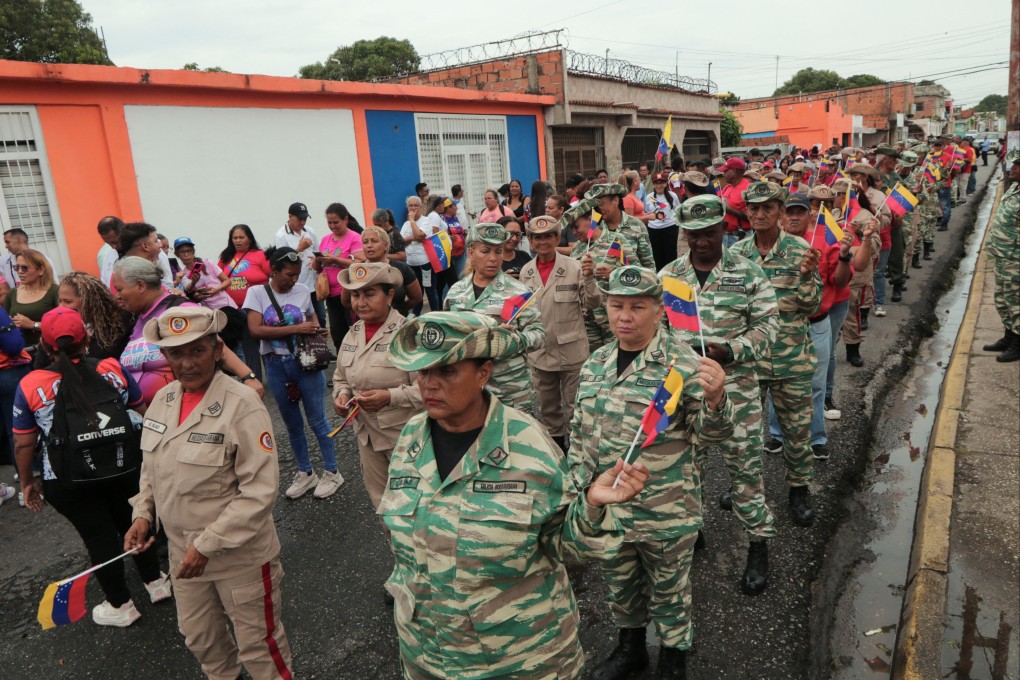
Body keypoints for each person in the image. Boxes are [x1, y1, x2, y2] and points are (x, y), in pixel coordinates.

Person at [382, 310, 650, 680]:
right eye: (424, 371)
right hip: (427, 654)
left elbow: (567, 547)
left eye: (447, 371)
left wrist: (590, 506)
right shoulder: (411, 437)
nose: (430, 384)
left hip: (517, 660)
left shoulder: (527, 445)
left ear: (484, 373)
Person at [574, 266, 732, 680]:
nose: (624, 316)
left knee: (670, 591)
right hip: (611, 508)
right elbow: (580, 434)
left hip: (664, 507)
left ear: (659, 310)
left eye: (636, 307)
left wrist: (717, 399)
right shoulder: (596, 362)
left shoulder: (683, 364)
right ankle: (631, 650)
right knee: (620, 585)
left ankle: (673, 658)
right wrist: (579, 490)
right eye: (616, 305)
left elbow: (709, 436)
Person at [123, 306, 293, 678]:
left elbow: (260, 492)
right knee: (201, 640)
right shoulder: (164, 400)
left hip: (239, 556)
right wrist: (143, 514)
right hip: (185, 556)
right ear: (165, 356)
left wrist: (208, 544)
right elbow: (152, 467)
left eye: (197, 350)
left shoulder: (243, 405)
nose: (187, 363)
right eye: (176, 353)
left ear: (217, 350)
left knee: (260, 647)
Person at [14, 307, 168, 627]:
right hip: (124, 466)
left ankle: (121, 605)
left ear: (44, 344)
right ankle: (156, 582)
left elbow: (24, 443)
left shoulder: (31, 385)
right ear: (86, 341)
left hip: (69, 479)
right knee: (134, 517)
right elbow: (140, 410)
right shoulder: (111, 367)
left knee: (98, 537)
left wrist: (28, 481)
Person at [657, 195, 778, 596]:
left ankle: (757, 544)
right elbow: (656, 331)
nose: (701, 241)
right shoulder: (671, 276)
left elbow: (768, 326)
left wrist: (732, 351)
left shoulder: (747, 274)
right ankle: (694, 532)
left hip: (736, 390)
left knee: (745, 471)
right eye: (693, 234)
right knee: (688, 469)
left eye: (709, 233)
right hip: (684, 392)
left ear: (724, 228)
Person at [732, 182, 822, 526]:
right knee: (745, 433)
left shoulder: (801, 251)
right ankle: (746, 487)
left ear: (781, 212)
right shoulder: (737, 255)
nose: (758, 214)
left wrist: (807, 276)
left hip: (790, 359)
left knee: (797, 431)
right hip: (749, 361)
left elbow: (811, 307)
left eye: (767, 208)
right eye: (753, 208)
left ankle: (798, 488)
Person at [244, 246, 342, 500]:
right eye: (289, 274)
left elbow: (312, 319)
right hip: (276, 366)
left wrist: (317, 331)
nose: (294, 280)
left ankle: (332, 472)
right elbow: (255, 330)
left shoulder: (301, 291)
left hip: (304, 362)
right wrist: (297, 329)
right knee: (292, 425)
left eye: (297, 274)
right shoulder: (256, 294)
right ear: (274, 272)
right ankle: (305, 473)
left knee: (318, 419)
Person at [331, 263, 422, 515]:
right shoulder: (353, 333)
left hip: (404, 439)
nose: (361, 302)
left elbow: (428, 392)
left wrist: (389, 397)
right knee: (383, 506)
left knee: (412, 508)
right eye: (356, 295)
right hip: (367, 438)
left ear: (390, 296)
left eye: (370, 294)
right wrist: (342, 395)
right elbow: (341, 377)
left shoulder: (409, 335)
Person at [113, 257, 263, 406]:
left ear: (140, 286)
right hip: (155, 418)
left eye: (120, 289)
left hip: (188, 409)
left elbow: (217, 346)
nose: (117, 296)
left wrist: (249, 377)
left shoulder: (179, 309)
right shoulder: (137, 318)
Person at [443, 223, 545, 410]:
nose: (493, 258)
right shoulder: (456, 292)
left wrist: (515, 339)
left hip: (509, 390)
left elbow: (538, 334)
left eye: (498, 252)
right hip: (468, 388)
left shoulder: (518, 291)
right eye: (485, 251)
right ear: (471, 253)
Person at [519, 215, 599, 452]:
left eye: (548, 236)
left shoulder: (575, 267)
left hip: (572, 351)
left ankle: (579, 453)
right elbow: (522, 312)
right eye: (537, 237)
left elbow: (593, 303)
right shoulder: (526, 272)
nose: (542, 242)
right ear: (531, 241)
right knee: (548, 408)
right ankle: (558, 451)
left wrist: (590, 277)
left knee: (577, 406)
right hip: (540, 353)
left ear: (556, 238)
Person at [218, 224, 271, 382]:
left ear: (250, 238)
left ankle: (274, 378)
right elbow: (216, 276)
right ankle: (254, 380)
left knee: (265, 345)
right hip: (236, 311)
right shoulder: (225, 258)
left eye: (241, 237)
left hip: (258, 308)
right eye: (235, 238)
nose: (238, 241)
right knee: (248, 347)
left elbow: (273, 275)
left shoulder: (260, 255)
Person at [982, 149, 1020, 362]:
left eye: (1017, 165)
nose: (1012, 168)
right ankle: (1008, 335)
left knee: (1016, 301)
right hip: (1002, 255)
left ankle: (1018, 342)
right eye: (1012, 164)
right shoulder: (1014, 187)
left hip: (1016, 258)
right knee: (1002, 299)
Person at [314, 203, 365, 352]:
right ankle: (342, 363)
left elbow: (360, 265)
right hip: (331, 295)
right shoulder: (325, 239)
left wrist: (335, 260)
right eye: (329, 223)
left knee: (355, 330)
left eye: (336, 222)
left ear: (345, 219)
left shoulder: (354, 238)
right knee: (337, 333)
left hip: (350, 293)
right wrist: (318, 260)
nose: (332, 226)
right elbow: (319, 269)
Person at [342, 226, 421, 317]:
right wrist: (367, 313)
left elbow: (416, 298)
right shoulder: (357, 270)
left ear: (385, 245)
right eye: (365, 242)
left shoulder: (401, 268)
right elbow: (346, 301)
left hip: (398, 322)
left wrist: (398, 310)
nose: (369, 245)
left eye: (374, 241)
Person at [57, 271, 133, 361]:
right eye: (60, 301)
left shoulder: (118, 323)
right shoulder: (69, 327)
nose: (60, 307)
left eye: (68, 301)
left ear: (88, 301)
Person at [580, 183, 655, 274]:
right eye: (596, 205)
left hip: (629, 284)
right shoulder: (596, 229)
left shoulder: (636, 226)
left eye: (602, 204)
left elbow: (648, 264)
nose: (599, 209)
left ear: (615, 200)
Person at [274, 201, 324, 327]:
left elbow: (318, 252)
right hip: (296, 285)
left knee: (321, 318)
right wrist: (299, 249)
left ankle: (320, 346)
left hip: (312, 283)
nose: (302, 223)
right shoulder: (281, 235)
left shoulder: (310, 231)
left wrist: (316, 260)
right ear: (290, 216)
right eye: (299, 219)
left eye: (305, 219)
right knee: (301, 319)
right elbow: (282, 262)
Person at [4, 248, 59, 349]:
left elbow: (65, 326)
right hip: (20, 353)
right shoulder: (12, 293)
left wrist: (33, 325)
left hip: (48, 351)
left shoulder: (55, 292)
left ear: (41, 270)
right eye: (17, 267)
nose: (20, 272)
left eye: (25, 268)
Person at [0, 304, 32, 464]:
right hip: (7, 372)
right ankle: (28, 477)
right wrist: (17, 331)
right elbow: (13, 345)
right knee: (18, 429)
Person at [643, 172, 681, 270]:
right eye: (656, 183)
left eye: (661, 182)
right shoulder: (649, 197)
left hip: (670, 229)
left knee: (671, 255)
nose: (659, 185)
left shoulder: (673, 196)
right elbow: (647, 212)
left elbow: (677, 210)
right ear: (653, 184)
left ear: (666, 183)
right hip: (654, 230)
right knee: (657, 256)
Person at [116, 222, 174, 287]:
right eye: (155, 241)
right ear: (145, 246)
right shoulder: (123, 275)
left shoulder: (159, 257)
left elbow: (168, 286)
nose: (160, 245)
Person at [399, 196, 429, 315]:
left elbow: (421, 236)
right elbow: (402, 242)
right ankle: (416, 317)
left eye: (416, 205)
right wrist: (413, 237)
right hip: (410, 264)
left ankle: (435, 315)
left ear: (421, 207)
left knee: (430, 291)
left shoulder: (425, 221)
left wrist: (412, 221)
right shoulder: (406, 224)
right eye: (410, 205)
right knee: (417, 293)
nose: (413, 208)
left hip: (425, 262)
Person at [717, 158, 751, 247]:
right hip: (725, 236)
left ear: (734, 171)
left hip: (741, 238)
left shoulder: (748, 188)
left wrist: (730, 210)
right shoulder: (728, 187)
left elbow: (754, 216)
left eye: (726, 171)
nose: (723, 174)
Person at [438, 197, 468, 276]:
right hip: (450, 255)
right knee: (450, 280)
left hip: (461, 253)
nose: (457, 208)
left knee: (462, 276)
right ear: (448, 208)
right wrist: (448, 237)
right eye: (455, 206)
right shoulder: (441, 219)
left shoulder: (455, 218)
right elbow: (437, 235)